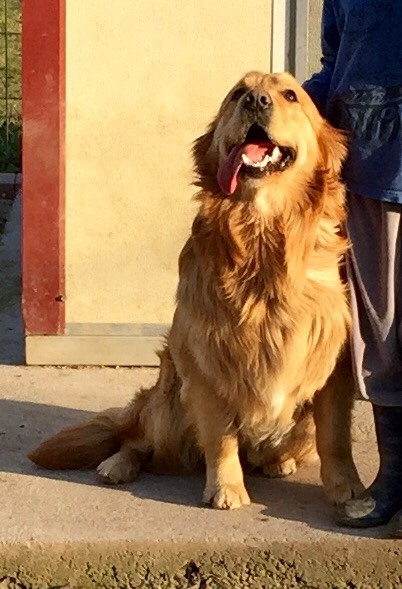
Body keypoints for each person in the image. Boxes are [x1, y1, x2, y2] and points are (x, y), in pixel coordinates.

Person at [303, 1, 402, 536]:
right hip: (369, 175)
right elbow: (334, 67)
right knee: (380, 335)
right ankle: (392, 480)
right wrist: (280, 106)